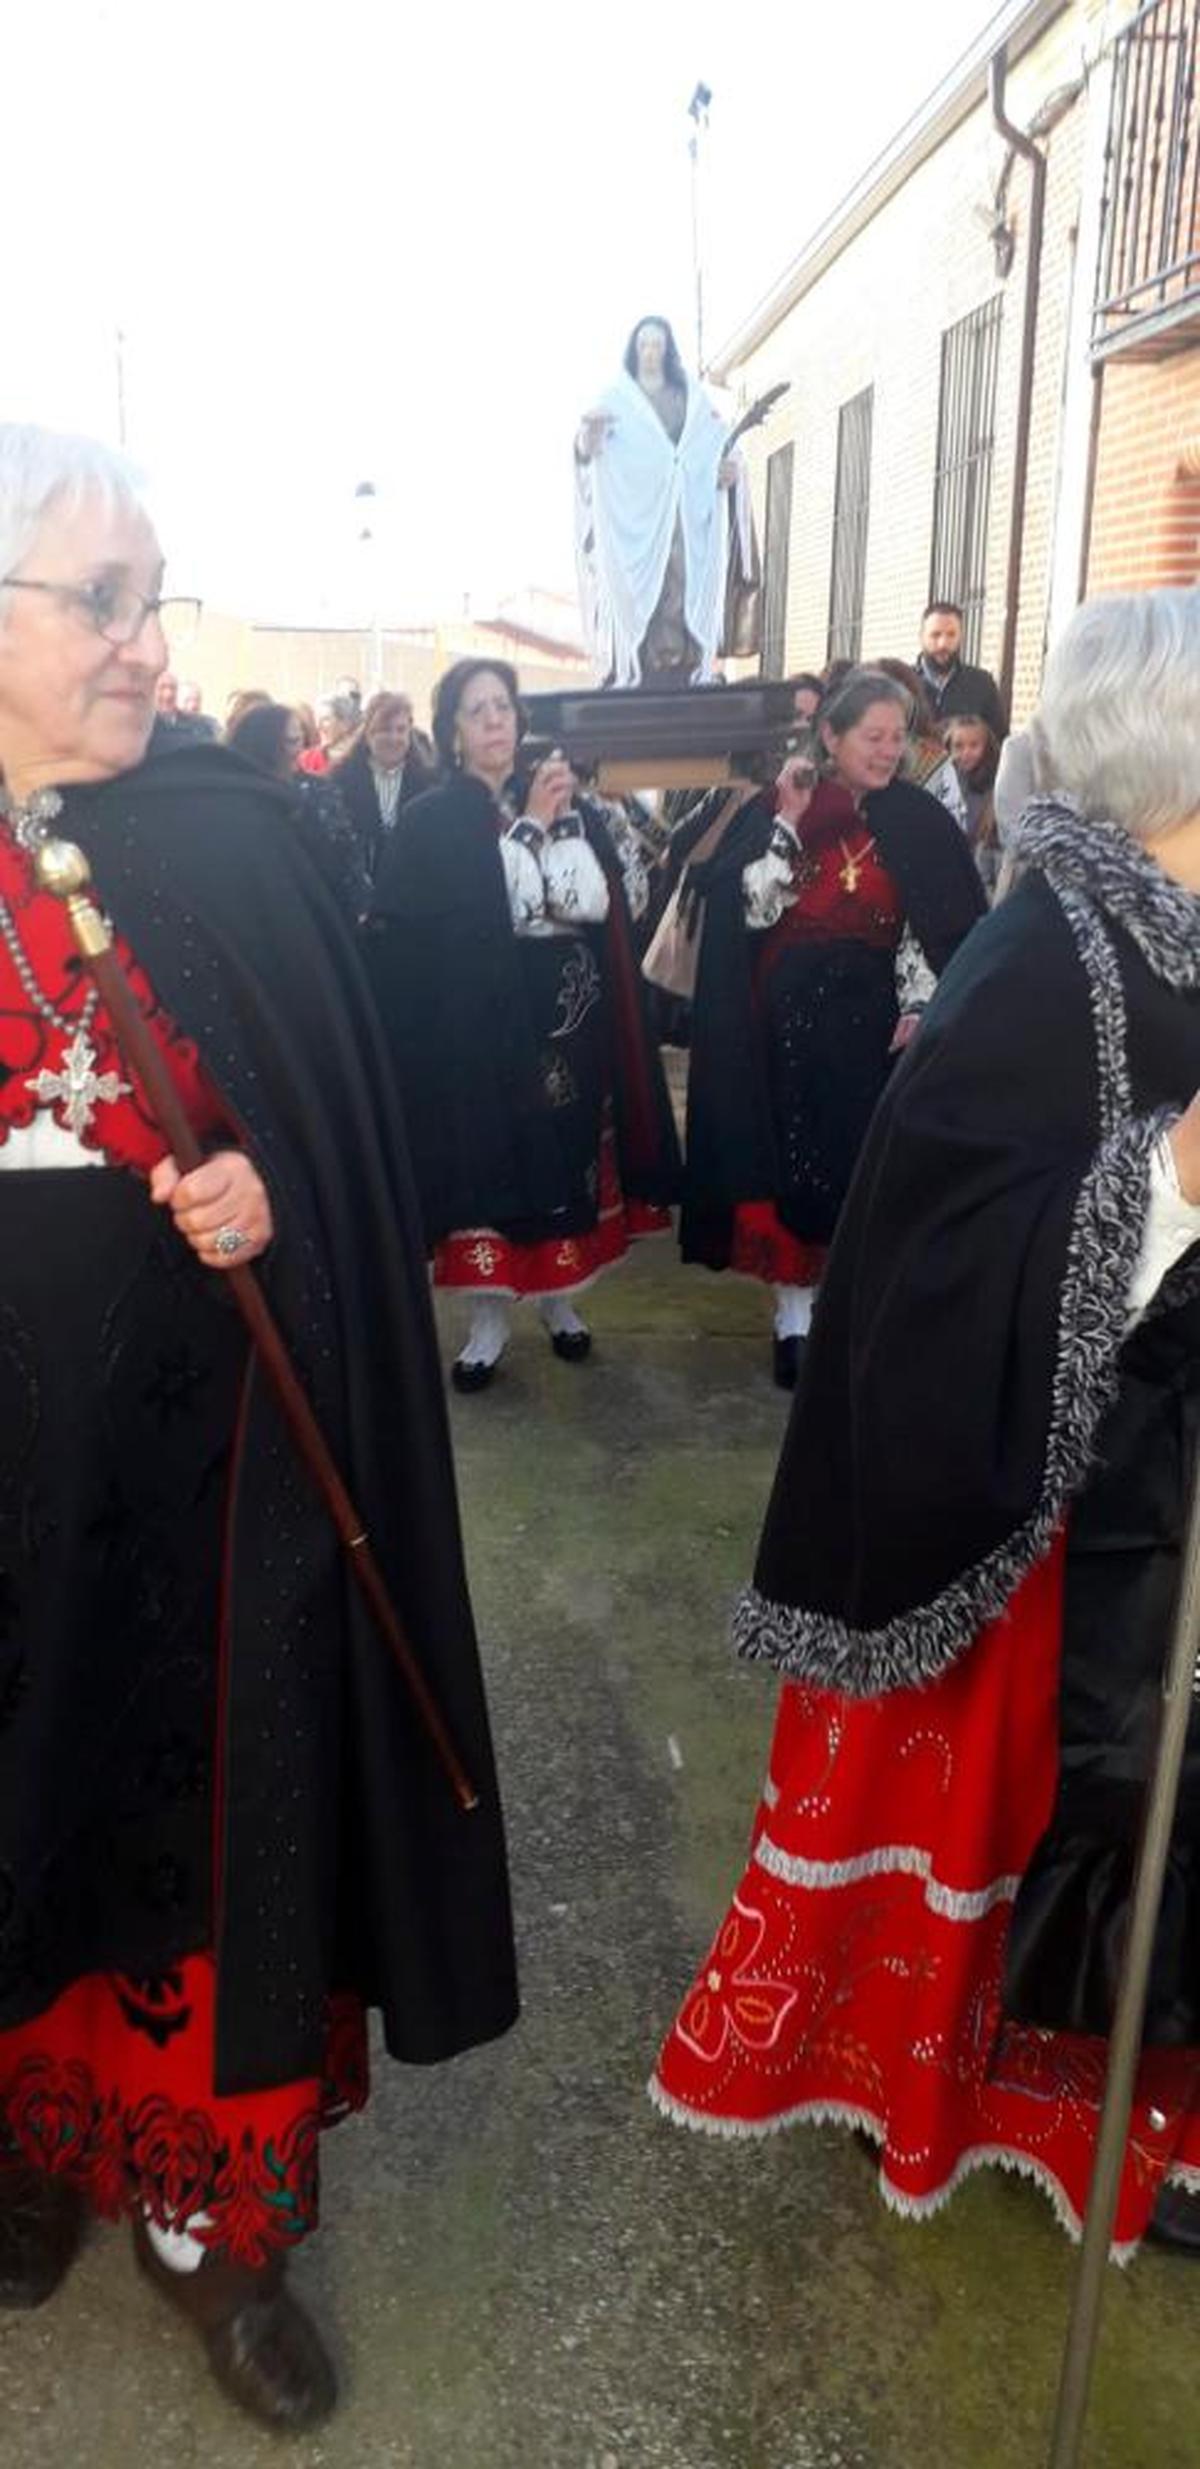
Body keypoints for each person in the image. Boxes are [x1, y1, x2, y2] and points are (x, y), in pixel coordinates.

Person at [0, 424, 517, 2423]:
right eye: (101, 603)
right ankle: (38, 2139)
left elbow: (327, 1139)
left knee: (208, 1824)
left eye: (154, 596)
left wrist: (266, 1187)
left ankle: (211, 2223)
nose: (148, 644)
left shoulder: (229, 833)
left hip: (215, 1481)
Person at [653, 587, 1200, 2260]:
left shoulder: (1158, 928)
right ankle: (1042, 2095)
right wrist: (1167, 1182)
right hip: (1059, 1513)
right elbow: (945, 1248)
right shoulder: (1051, 953)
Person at [365, 658, 680, 1389]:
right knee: (488, 1161)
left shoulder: (564, 797)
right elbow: (488, 913)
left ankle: (558, 1301)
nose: (494, 722)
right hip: (474, 1026)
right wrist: (534, 828)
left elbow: (597, 903)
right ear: (450, 732)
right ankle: (487, 1320)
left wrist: (560, 824)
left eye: (503, 707)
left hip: (564, 1018)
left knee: (561, 1153)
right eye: (477, 711)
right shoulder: (434, 818)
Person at [678, 669, 985, 1386]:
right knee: (792, 1162)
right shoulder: (781, 805)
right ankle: (792, 1317)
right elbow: (751, 909)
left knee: (859, 1166)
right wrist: (786, 822)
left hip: (873, 1019)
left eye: (897, 738)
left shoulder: (917, 818)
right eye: (871, 736)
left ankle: (847, 1311)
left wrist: (919, 1005)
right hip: (786, 1017)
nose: (887, 751)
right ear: (830, 736)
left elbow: (930, 927)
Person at [574, 315, 756, 689]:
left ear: (668, 349)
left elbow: (721, 441)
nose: (651, 352)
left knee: (680, 579)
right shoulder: (616, 399)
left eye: (658, 344)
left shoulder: (690, 396)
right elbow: (586, 450)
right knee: (640, 587)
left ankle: (680, 659)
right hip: (634, 518)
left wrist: (728, 467)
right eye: (644, 344)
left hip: (683, 515)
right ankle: (643, 658)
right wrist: (588, 441)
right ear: (634, 349)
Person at [225, 698, 369, 921]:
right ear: (265, 745)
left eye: (298, 740)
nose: (297, 750)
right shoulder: (235, 798)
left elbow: (346, 858)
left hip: (319, 916)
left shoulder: (319, 791)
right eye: (289, 742)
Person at [335, 690, 434, 885]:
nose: (394, 737)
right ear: (368, 733)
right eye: (385, 729)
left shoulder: (429, 781)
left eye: (401, 729)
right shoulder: (340, 779)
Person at [916, 599, 1007, 741]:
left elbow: (998, 740)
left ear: (961, 637)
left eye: (951, 635)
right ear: (921, 637)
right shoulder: (901, 683)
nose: (943, 644)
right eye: (935, 635)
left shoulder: (982, 684)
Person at [945, 711, 1002, 895]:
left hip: (982, 865)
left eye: (974, 745)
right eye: (958, 746)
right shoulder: (946, 781)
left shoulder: (996, 783)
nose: (966, 753)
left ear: (987, 747)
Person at [297, 691, 356, 776]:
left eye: (325, 719)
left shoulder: (358, 760)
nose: (318, 726)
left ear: (345, 723)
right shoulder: (306, 759)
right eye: (316, 719)